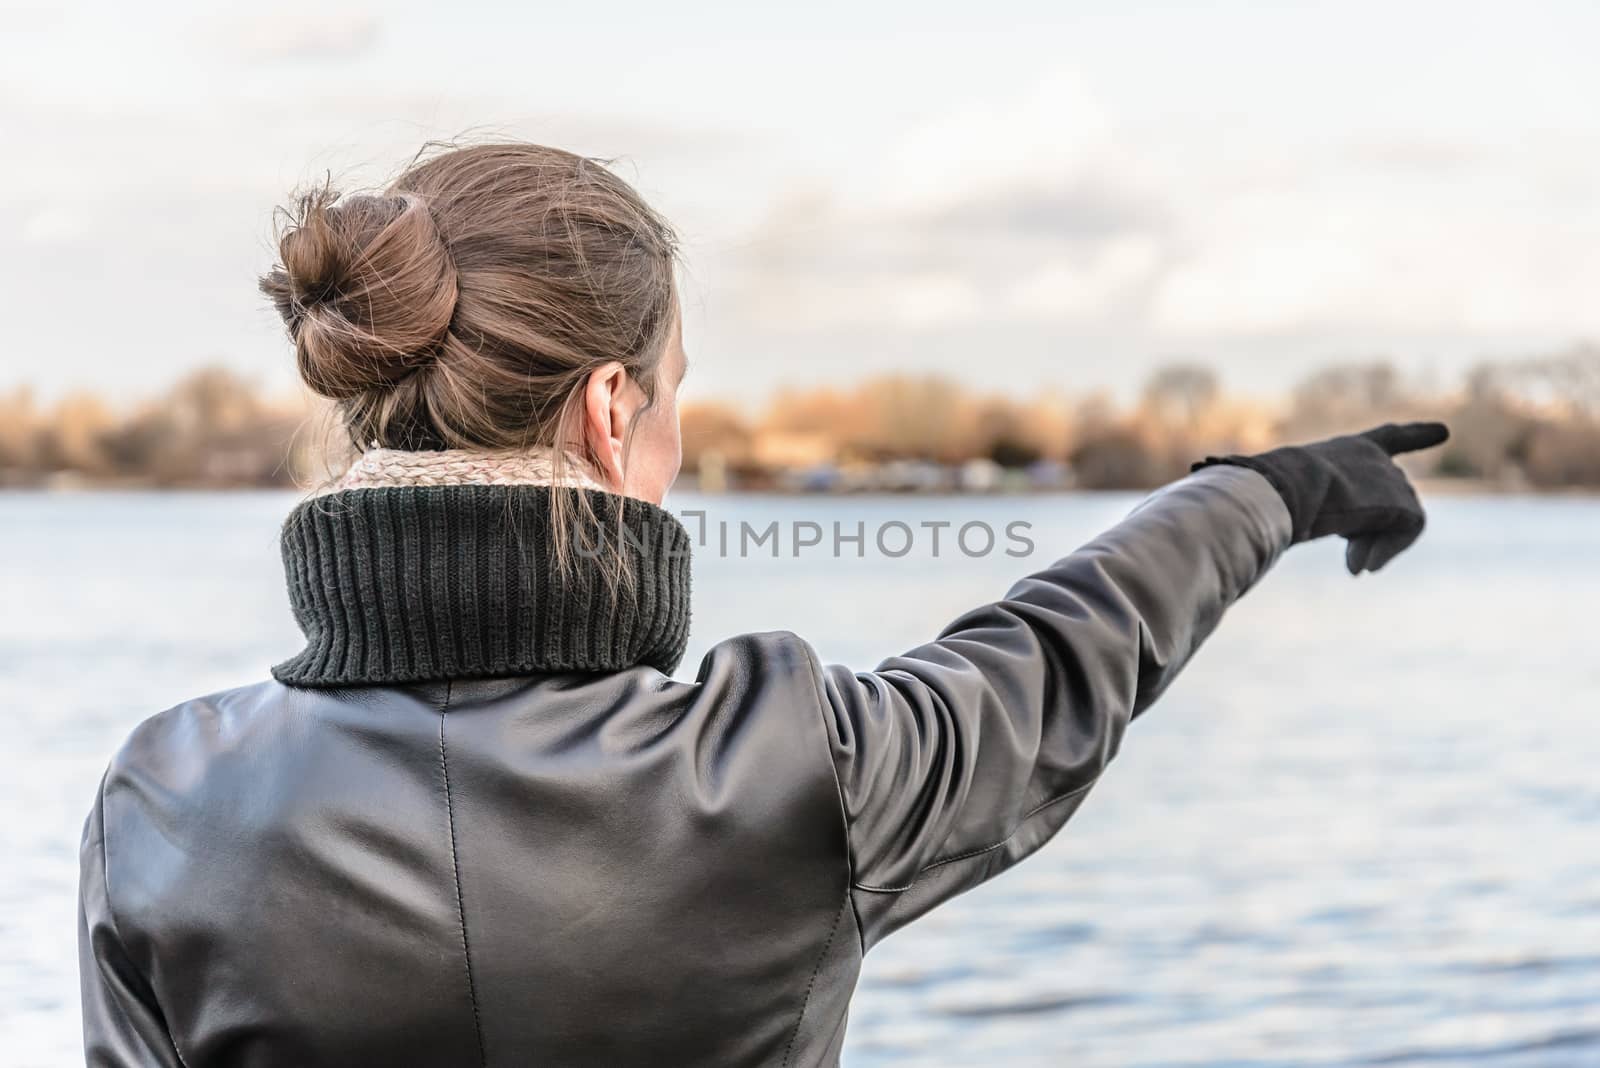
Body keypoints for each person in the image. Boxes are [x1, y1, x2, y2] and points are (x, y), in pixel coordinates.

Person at [77, 142, 1448, 1068]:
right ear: (614, 413)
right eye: (677, 392)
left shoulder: (163, 802)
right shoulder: (797, 773)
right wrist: (1273, 492)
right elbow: (1066, 647)